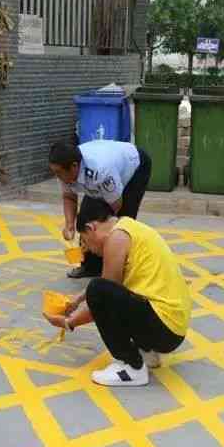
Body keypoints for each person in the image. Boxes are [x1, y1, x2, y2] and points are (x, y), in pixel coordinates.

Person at [43, 198, 190, 387]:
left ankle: (131, 367)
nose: (89, 250)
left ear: (91, 227)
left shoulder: (116, 238)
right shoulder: (129, 228)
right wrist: (77, 299)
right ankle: (146, 353)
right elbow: (115, 289)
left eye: (86, 242)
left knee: (98, 289)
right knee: (105, 289)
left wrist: (69, 322)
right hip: (173, 327)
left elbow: (104, 297)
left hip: (164, 327)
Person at [49, 139, 152, 278]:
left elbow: (116, 206)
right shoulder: (64, 170)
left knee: (121, 222)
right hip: (107, 168)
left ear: (74, 166)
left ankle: (121, 269)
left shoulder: (101, 171)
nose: (57, 176)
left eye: (59, 172)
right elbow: (69, 197)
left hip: (135, 167)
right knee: (85, 222)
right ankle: (90, 267)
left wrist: (100, 232)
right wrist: (69, 226)